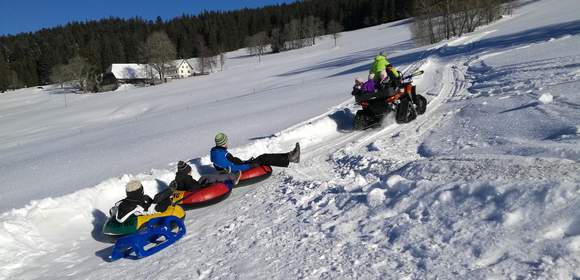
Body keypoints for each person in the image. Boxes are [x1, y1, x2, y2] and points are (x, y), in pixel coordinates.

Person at [210, 133, 300, 173]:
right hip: (242, 168)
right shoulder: (224, 154)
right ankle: (290, 158)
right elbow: (234, 165)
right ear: (224, 143)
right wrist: (249, 164)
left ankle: (289, 155)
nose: (228, 143)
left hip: (239, 166)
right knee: (264, 157)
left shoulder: (214, 152)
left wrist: (245, 161)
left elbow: (225, 165)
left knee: (263, 157)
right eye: (227, 142)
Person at [173, 160, 241, 192]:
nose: (191, 172)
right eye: (190, 171)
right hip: (199, 188)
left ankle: (222, 172)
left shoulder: (180, 177)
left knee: (205, 176)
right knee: (213, 178)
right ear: (186, 172)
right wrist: (204, 185)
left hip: (197, 184)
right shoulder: (187, 179)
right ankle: (233, 177)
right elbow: (193, 188)